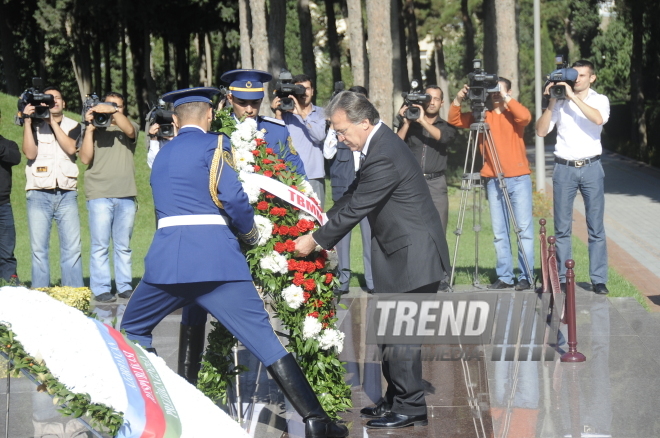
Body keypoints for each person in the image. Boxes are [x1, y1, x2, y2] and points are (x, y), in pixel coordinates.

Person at [119, 87, 348, 438]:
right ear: (210, 116)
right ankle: (316, 422)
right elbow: (234, 199)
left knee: (132, 330)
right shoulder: (216, 146)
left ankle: (163, 408)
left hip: (166, 265)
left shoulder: (162, 154)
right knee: (266, 342)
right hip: (217, 263)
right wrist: (251, 236)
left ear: (176, 121)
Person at [294, 91, 452, 430]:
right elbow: (353, 192)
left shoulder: (383, 153)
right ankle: (396, 399)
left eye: (341, 130)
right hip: (402, 253)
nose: (338, 138)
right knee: (390, 334)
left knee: (401, 336)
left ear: (364, 123)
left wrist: (316, 240)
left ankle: (411, 409)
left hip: (413, 256)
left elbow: (357, 206)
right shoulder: (376, 145)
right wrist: (319, 219)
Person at [175, 69, 309, 384]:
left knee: (289, 297)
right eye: (243, 102)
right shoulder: (213, 134)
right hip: (219, 232)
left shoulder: (275, 132)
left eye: (256, 102)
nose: (250, 110)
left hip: (270, 232)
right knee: (198, 300)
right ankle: (188, 378)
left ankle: (299, 377)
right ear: (230, 98)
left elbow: (297, 180)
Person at [448, 77, 534, 291]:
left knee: (523, 230)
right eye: (492, 90)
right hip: (493, 179)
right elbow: (454, 120)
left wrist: (505, 96)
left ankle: (526, 276)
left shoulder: (513, 113)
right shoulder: (482, 116)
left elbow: (525, 117)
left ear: (508, 91)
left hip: (518, 178)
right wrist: (459, 98)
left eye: (499, 89)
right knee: (499, 232)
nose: (495, 93)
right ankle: (505, 276)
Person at [536, 60, 610, 295]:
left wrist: (573, 97)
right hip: (564, 168)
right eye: (574, 75)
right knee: (562, 227)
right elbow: (540, 131)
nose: (577, 79)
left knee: (595, 227)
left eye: (582, 75)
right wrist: (552, 102)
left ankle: (598, 279)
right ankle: (562, 278)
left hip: (591, 167)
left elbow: (598, 119)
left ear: (592, 78)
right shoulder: (559, 101)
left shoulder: (600, 100)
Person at [21, 86, 84, 288]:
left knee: (72, 249)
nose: (53, 101)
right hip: (38, 192)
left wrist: (52, 123)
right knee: (39, 249)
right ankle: (41, 295)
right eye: (49, 99)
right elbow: (30, 154)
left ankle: (73, 297)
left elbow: (71, 148)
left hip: (67, 192)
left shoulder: (74, 125)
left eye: (57, 98)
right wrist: (28, 122)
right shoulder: (34, 124)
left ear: (64, 103)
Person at [80, 92, 138, 303]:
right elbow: (85, 158)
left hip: (125, 194)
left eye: (118, 106)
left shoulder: (129, 126)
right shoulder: (93, 128)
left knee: (123, 246)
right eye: (110, 105)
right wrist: (89, 129)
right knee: (100, 245)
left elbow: (130, 131)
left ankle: (124, 287)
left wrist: (110, 110)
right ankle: (102, 288)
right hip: (99, 194)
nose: (113, 109)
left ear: (123, 109)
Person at [324, 85, 374, 295]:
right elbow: (327, 153)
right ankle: (343, 279)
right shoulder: (338, 128)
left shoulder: (372, 126)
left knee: (369, 236)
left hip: (366, 188)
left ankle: (372, 280)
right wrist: (335, 132)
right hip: (344, 188)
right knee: (342, 238)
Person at [396, 85, 457, 233]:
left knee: (438, 230)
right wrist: (406, 122)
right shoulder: (411, 125)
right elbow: (396, 145)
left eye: (436, 99)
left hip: (436, 183)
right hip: (412, 181)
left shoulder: (446, 126)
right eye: (429, 98)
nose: (432, 102)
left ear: (442, 102)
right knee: (412, 230)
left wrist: (423, 121)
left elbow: (442, 138)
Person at [271, 74, 326, 207]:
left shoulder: (320, 113)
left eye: (306, 88)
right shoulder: (285, 114)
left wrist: (301, 113)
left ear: (312, 91)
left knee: (317, 220)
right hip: (290, 175)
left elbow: (320, 137)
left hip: (314, 175)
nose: (304, 93)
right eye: (299, 89)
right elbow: (277, 141)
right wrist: (278, 114)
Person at [0, 109, 21, 284]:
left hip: (3, 206)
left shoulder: (8, 145)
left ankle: (10, 287)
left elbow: (15, 158)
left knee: (6, 251)